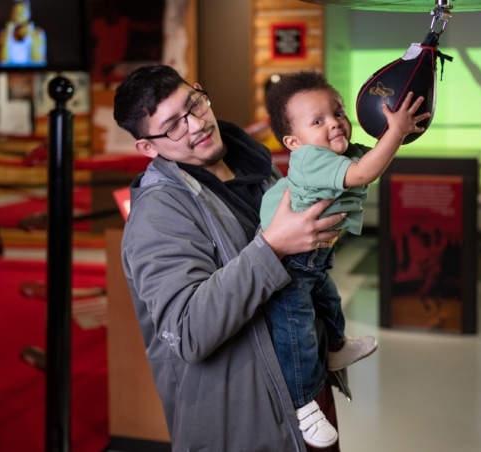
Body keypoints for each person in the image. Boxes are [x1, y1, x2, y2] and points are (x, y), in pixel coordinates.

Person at [113, 65, 349, 451]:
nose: (195, 125)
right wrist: (271, 247)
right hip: (245, 421)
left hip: (305, 384)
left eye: (194, 104)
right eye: (173, 125)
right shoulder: (157, 214)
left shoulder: (253, 161)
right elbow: (188, 332)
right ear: (148, 148)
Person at [259, 71, 430, 447]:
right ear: (293, 141)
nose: (335, 123)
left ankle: (336, 348)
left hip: (314, 260)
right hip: (289, 267)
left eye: (337, 112)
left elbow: (374, 161)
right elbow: (366, 171)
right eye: (317, 121)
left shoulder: (341, 151)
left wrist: (396, 128)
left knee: (329, 301)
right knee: (297, 336)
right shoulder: (309, 159)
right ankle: (304, 408)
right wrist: (395, 133)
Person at [0, 0, 46, 67]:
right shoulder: (4, 33)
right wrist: (8, 34)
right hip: (11, 74)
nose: (18, 16)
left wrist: (31, 35)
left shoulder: (38, 33)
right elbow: (2, 62)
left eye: (21, 13)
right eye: (15, 12)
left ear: (29, 14)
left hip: (31, 74)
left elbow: (38, 62)